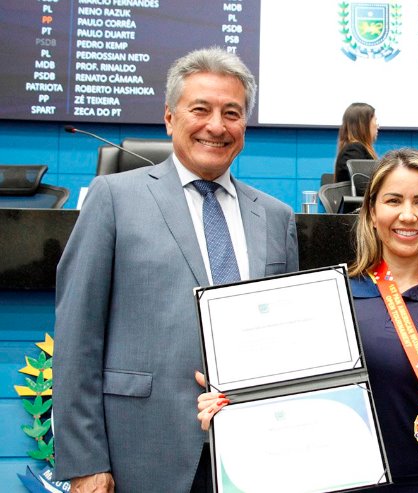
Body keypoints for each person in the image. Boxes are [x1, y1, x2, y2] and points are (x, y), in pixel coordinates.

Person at [53, 47, 299, 493]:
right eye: (200, 110)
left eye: (232, 113)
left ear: (245, 126)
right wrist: (85, 462)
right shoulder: (113, 199)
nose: (216, 126)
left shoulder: (277, 217)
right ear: (170, 118)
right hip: (141, 453)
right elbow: (76, 338)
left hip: (254, 456)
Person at [198, 149, 418, 491]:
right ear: (370, 213)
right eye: (393, 201)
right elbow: (292, 391)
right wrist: (232, 400)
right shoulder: (328, 299)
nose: (408, 215)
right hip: (346, 479)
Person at [333, 102, 379, 183]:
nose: (377, 125)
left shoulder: (355, 149)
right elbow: (361, 185)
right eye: (375, 120)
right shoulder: (353, 150)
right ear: (364, 124)